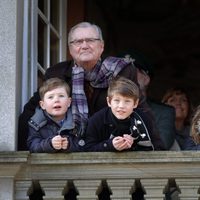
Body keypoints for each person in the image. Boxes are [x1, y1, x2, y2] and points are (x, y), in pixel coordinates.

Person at [18, 21, 164, 150]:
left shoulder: (122, 70)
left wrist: (157, 151)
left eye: (90, 40)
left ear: (101, 46)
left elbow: (140, 110)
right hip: (69, 150)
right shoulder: (56, 73)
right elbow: (31, 111)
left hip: (112, 149)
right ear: (70, 49)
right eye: (78, 41)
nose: (84, 46)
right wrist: (23, 152)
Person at [84, 76, 162, 152]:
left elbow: (156, 147)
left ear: (135, 103)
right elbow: (86, 148)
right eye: (117, 100)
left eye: (127, 101)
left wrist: (134, 144)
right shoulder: (97, 120)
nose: (121, 106)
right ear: (109, 102)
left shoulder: (143, 119)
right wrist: (110, 145)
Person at [122, 52, 176, 150]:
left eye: (132, 70)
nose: (126, 75)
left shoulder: (164, 112)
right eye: (121, 72)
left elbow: (162, 144)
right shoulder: (106, 110)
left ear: (146, 79)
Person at [27, 78, 81, 153]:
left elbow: (85, 144)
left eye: (61, 96)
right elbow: (32, 145)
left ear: (69, 102)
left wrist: (69, 145)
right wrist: (50, 144)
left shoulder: (78, 121)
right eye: (50, 97)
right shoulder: (36, 123)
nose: (56, 100)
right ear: (42, 105)